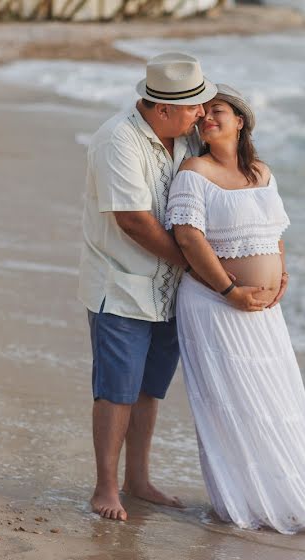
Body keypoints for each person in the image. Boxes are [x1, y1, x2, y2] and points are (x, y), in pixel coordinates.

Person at [165, 84, 305, 537]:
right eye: (202, 115)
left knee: (276, 396)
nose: (207, 119)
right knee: (234, 400)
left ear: (240, 120)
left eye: (217, 111)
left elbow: (274, 229)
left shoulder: (261, 171)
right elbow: (189, 238)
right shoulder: (192, 172)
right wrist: (229, 290)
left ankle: (283, 493)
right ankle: (243, 499)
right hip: (215, 305)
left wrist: (284, 272)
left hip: (263, 309)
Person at [77, 53, 218, 521]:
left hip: (172, 290)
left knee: (147, 389)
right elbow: (133, 221)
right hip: (121, 285)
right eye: (194, 106)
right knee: (116, 389)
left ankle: (138, 479)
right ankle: (106, 487)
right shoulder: (118, 139)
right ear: (161, 110)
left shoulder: (185, 137)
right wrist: (199, 266)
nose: (202, 112)